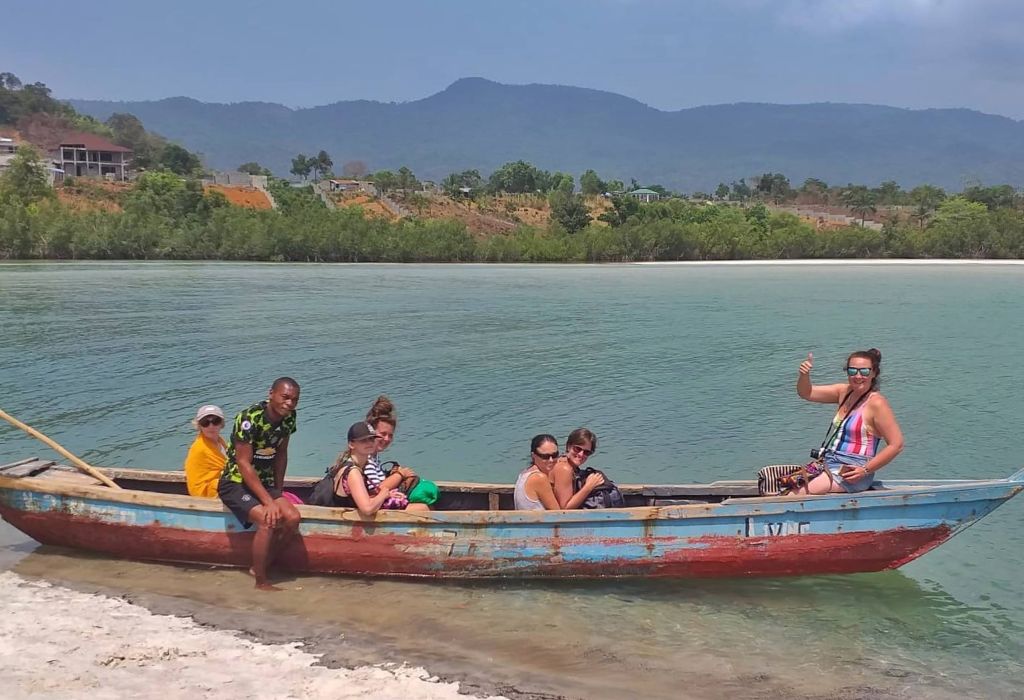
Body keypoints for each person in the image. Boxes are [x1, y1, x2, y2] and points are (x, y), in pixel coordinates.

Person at [217, 377, 302, 591]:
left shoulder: (289, 418)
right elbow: (243, 463)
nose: (289, 403)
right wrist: (268, 502)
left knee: (292, 518)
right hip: (235, 482)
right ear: (271, 393)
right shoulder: (249, 419)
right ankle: (261, 581)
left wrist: (278, 492)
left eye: (294, 400)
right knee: (268, 520)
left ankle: (262, 563)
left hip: (264, 482)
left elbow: (281, 454)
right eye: (285, 397)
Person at [789, 349, 904, 495]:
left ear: (874, 373)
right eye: (852, 371)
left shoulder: (877, 403)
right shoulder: (844, 392)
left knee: (794, 494)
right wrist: (804, 375)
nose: (858, 376)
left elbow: (897, 444)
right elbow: (807, 393)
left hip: (853, 472)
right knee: (780, 484)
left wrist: (865, 470)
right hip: (828, 463)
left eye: (864, 371)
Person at [335, 421, 430, 516]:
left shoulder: (356, 466)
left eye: (371, 439)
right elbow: (367, 509)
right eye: (363, 440)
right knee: (422, 509)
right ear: (351, 444)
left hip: (356, 514)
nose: (369, 443)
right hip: (350, 518)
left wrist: (388, 495)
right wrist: (383, 494)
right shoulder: (353, 472)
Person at [364, 395, 419, 491]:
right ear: (371, 432)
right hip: (371, 504)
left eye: (390, 435)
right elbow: (376, 490)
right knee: (424, 506)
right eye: (383, 434)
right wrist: (400, 474)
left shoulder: (374, 455)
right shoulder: (365, 458)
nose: (387, 439)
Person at [551, 428, 606, 509]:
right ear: (568, 446)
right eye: (577, 449)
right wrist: (589, 486)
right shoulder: (564, 468)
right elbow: (565, 509)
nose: (581, 454)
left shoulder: (568, 464)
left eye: (586, 452)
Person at [183, 404, 228, 498]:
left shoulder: (219, 440)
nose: (211, 426)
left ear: (221, 423)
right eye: (205, 423)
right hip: (206, 492)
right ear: (199, 426)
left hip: (220, 484)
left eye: (216, 421)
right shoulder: (200, 448)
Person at [514, 434, 562, 510]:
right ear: (533, 456)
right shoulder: (539, 478)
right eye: (545, 456)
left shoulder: (524, 473)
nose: (551, 460)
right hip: (536, 521)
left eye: (555, 455)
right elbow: (557, 514)